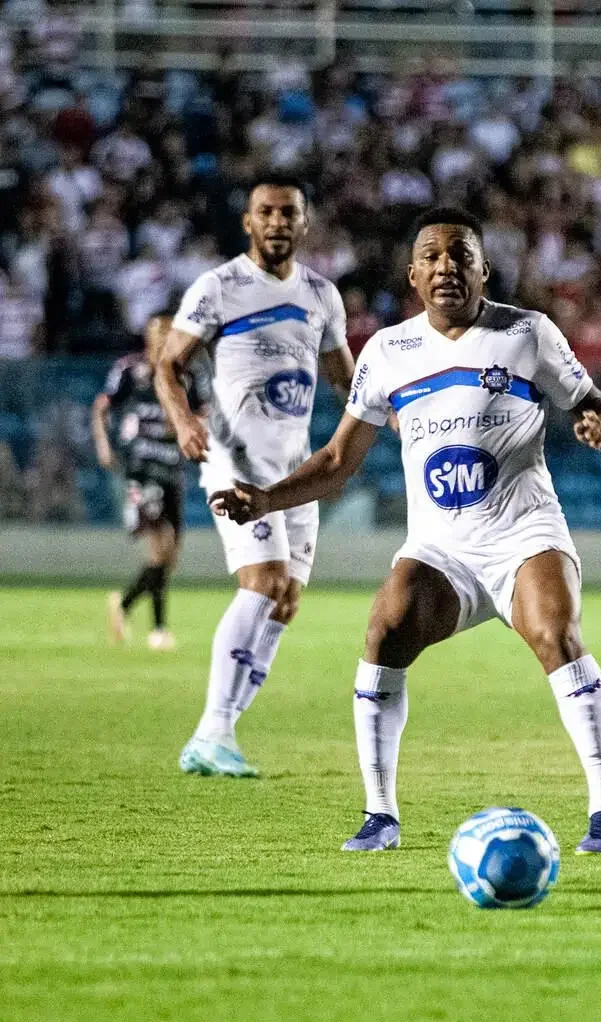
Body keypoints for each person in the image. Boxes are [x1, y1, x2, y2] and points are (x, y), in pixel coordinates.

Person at [209, 207, 601, 856]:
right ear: (413, 274)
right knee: (383, 629)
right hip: (441, 550)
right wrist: (265, 499)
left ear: (482, 268)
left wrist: (599, 419)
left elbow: (593, 399)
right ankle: (380, 815)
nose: (446, 267)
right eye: (431, 257)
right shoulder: (386, 352)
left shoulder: (527, 333)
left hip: (524, 535)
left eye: (459, 255)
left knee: (554, 633)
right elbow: (335, 463)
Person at [154, 173, 353, 779]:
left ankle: (219, 734)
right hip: (235, 458)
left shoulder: (322, 295)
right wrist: (186, 421)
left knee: (286, 600)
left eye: (288, 212)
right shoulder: (217, 288)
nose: (277, 222)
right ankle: (212, 729)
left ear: (304, 222)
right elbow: (169, 367)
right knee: (264, 581)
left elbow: (348, 378)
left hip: (293, 471)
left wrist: (395, 413)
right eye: (266, 211)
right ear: (248, 221)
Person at [92, 312, 196, 651]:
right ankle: (159, 629)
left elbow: (203, 412)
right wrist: (105, 446)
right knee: (161, 545)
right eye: (159, 333)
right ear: (149, 338)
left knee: (170, 557)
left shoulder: (185, 377)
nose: (165, 339)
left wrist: (188, 425)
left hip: (172, 469)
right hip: (142, 470)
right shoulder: (130, 371)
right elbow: (101, 407)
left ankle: (123, 604)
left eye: (170, 333)